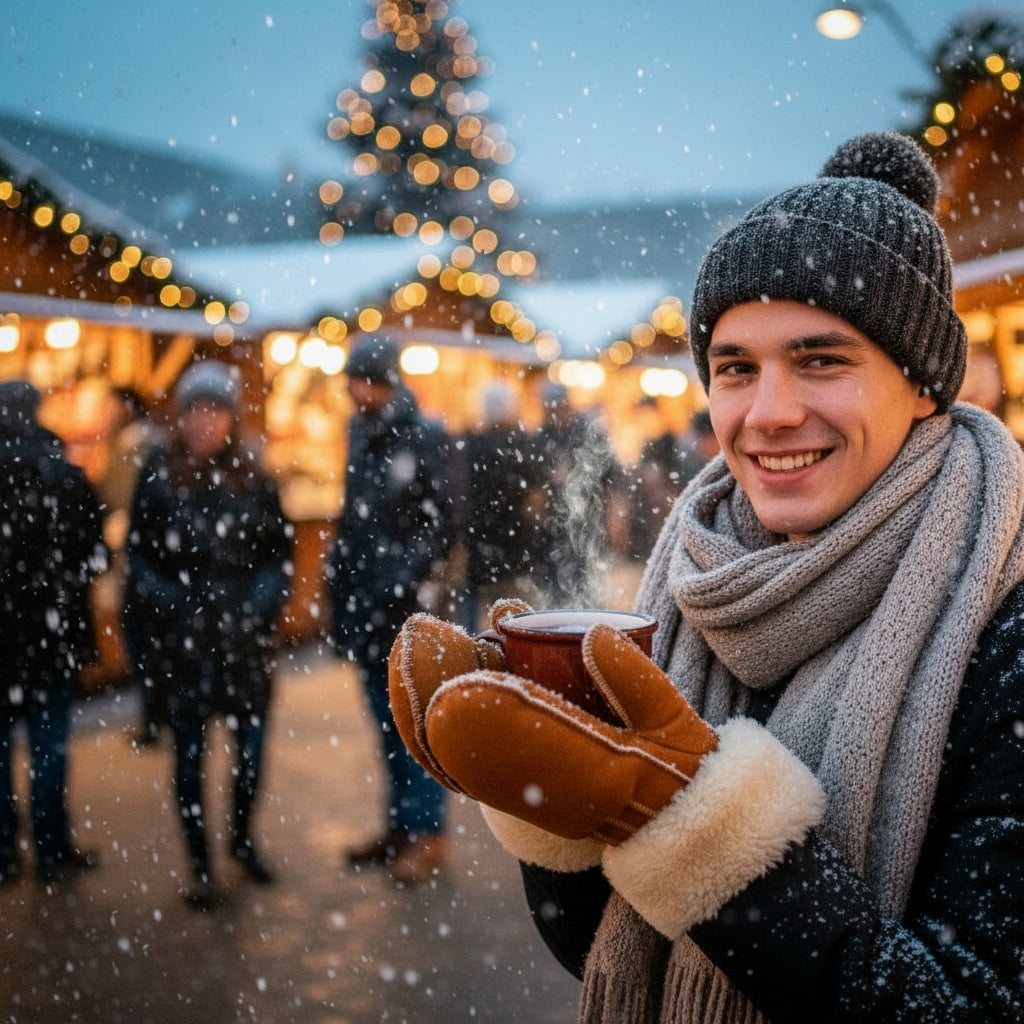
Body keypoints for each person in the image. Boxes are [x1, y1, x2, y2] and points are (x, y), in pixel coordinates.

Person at [386, 132, 1024, 1021]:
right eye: (735, 369)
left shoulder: (1006, 625)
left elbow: (972, 1005)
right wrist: (558, 808)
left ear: (924, 384)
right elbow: (606, 945)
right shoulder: (696, 583)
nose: (768, 413)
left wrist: (697, 825)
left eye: (822, 359)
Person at [124, 361, 291, 909]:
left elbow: (278, 556)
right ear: (180, 417)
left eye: (214, 410)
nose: (204, 422)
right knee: (189, 756)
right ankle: (199, 863)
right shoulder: (158, 475)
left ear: (229, 418)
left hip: (244, 644)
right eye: (195, 410)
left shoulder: (254, 476)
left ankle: (241, 841)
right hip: (185, 646)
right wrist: (171, 603)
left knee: (250, 754)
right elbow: (139, 558)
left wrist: (257, 606)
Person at [327, 333, 455, 884]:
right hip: (364, 605)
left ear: (381, 380)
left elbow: (444, 523)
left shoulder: (425, 436)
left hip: (404, 607)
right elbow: (354, 519)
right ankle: (400, 828)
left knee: (415, 727)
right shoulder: (360, 432)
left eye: (359, 379)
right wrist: (343, 583)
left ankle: (427, 834)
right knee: (384, 725)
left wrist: (400, 576)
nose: (353, 390)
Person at [0, 380, 107, 885]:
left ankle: (4, 849)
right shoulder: (65, 475)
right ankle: (50, 849)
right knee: (49, 745)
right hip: (53, 633)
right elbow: (96, 556)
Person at [97, 386, 167, 743]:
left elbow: (126, 500)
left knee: (146, 638)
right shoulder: (133, 443)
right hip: (140, 556)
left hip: (140, 555)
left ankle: (156, 717)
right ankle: (156, 715)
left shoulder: (138, 446)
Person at [458, 382, 537, 631]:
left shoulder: (472, 446)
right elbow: (533, 495)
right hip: (514, 541)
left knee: (474, 608)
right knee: (515, 615)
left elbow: (462, 493)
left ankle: (473, 652)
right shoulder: (522, 445)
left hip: (481, 538)